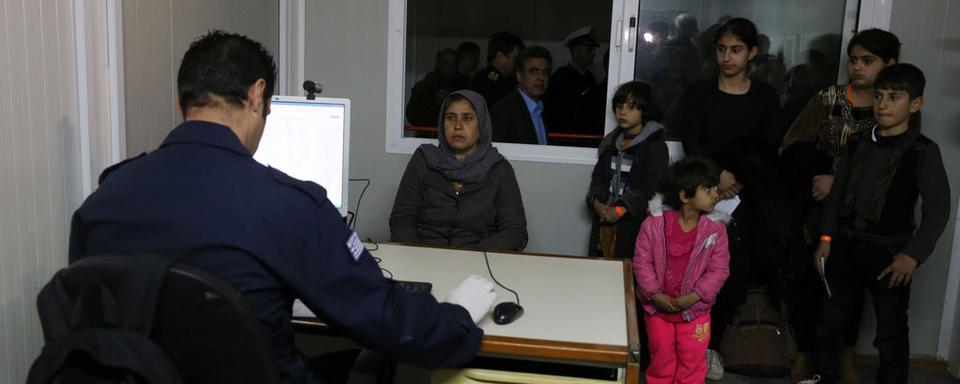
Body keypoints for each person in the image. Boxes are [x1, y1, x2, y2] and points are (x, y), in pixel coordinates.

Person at [68, 31, 498, 384]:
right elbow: (386, 320)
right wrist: (457, 316)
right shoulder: (291, 206)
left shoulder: (105, 197)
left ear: (185, 103)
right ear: (257, 95)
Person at [811, 63, 950, 384]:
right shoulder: (858, 141)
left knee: (890, 329)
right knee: (830, 321)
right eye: (879, 96)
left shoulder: (923, 151)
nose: (884, 104)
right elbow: (837, 196)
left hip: (891, 254)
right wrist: (826, 238)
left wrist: (912, 255)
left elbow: (938, 210)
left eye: (895, 97)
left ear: (915, 104)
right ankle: (822, 376)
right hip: (845, 245)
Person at [779, 28, 901, 383]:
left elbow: (893, 163)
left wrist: (840, 182)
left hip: (861, 217)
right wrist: (818, 173)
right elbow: (793, 145)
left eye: (868, 61)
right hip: (816, 213)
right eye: (853, 60)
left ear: (889, 64)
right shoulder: (828, 98)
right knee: (808, 285)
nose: (858, 67)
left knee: (851, 291)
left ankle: (845, 355)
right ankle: (803, 354)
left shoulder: (892, 106)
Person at [677, 17, 785, 378]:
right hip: (700, 194)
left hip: (746, 201)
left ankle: (711, 348)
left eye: (736, 50)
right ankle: (681, 345)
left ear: (752, 52)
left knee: (730, 275)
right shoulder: (698, 93)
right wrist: (715, 176)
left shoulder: (765, 97)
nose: (727, 57)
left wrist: (738, 179)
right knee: (689, 273)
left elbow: (768, 147)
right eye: (722, 49)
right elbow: (691, 141)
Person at [390, 90, 528, 251]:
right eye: (450, 118)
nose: (457, 126)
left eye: (467, 118)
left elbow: (514, 231)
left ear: (481, 123)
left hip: (479, 264)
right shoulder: (423, 160)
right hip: (423, 258)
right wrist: (416, 256)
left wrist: (471, 259)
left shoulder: (499, 169)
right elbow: (402, 220)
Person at [634, 157, 730, 384]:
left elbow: (719, 270)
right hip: (658, 310)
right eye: (707, 189)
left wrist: (695, 296)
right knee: (661, 360)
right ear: (685, 196)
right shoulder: (653, 225)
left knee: (692, 362)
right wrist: (654, 294)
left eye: (715, 188)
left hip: (695, 312)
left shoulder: (715, 231)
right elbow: (641, 262)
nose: (716, 194)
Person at [586, 80, 670, 259]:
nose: (622, 111)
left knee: (629, 271)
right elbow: (599, 178)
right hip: (604, 220)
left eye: (631, 107)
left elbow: (651, 187)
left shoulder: (655, 146)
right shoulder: (610, 143)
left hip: (634, 223)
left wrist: (619, 210)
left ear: (645, 110)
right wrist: (596, 202)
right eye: (619, 105)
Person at [544, 26, 601, 136]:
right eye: (589, 49)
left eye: (593, 50)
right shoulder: (560, 78)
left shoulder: (591, 78)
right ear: (575, 50)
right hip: (564, 138)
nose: (593, 54)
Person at [491, 46, 552, 145]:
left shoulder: (544, 109)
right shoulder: (504, 111)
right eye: (534, 71)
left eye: (545, 72)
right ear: (519, 75)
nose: (541, 78)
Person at [405, 48, 467, 128]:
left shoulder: (462, 87)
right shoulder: (424, 86)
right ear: (438, 64)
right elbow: (413, 117)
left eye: (454, 65)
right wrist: (434, 101)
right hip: (428, 137)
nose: (451, 69)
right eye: (447, 64)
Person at [470, 32, 524, 107]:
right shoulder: (489, 81)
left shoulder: (487, 77)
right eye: (514, 58)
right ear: (499, 57)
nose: (517, 64)